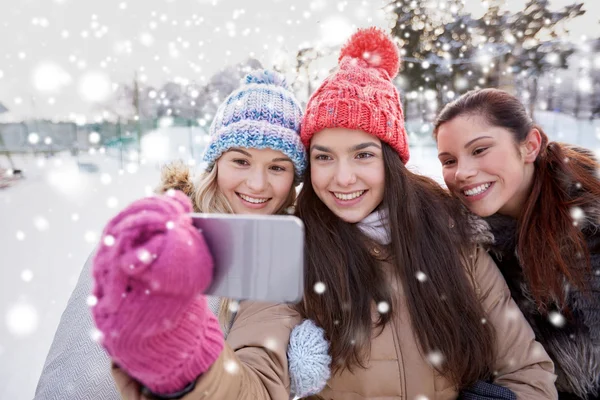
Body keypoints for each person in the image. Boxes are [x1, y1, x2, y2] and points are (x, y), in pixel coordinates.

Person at [93, 29, 557, 399]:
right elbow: (256, 382)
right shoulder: (293, 248)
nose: (342, 178)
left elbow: (527, 371)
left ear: (391, 161)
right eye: (323, 157)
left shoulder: (453, 237)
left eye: (362, 155)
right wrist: (185, 360)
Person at [34, 70, 329, 400]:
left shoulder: (276, 259)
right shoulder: (148, 235)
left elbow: (256, 381)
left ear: (294, 179)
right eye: (241, 161)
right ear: (216, 163)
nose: (257, 184)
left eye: (277, 167)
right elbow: (72, 368)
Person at [434, 87, 600, 399]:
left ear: (530, 145)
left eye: (480, 150)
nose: (463, 173)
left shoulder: (592, 227)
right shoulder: (466, 247)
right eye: (449, 160)